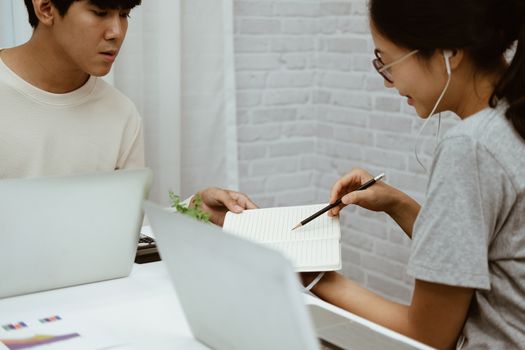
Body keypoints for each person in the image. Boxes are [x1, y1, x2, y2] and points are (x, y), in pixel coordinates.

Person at [302, 0, 525, 348]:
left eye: (387, 62)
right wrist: (398, 204)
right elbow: (486, 252)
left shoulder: (470, 146)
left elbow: (427, 335)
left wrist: (313, 277)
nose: (388, 82)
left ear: (449, 53)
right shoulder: (512, 120)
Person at [0, 0, 256, 225]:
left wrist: (192, 212)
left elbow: (124, 232)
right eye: (100, 12)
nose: (117, 32)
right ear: (46, 8)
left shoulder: (121, 114)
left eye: (124, 14)